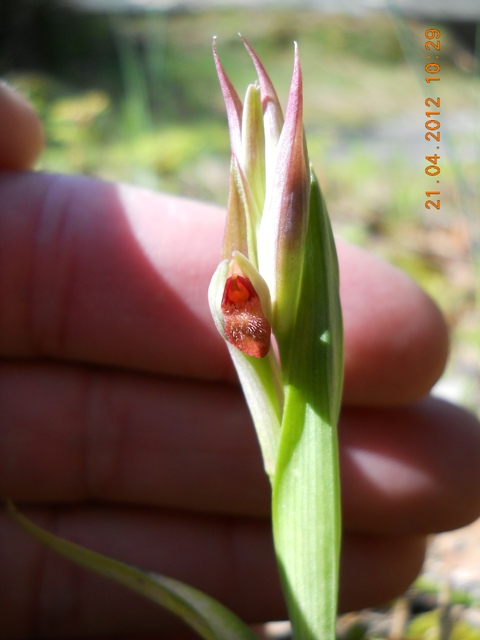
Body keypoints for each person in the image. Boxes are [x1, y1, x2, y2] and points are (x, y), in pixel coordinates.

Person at [1, 80, 479, 640]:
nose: (236, 294)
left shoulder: (254, 301)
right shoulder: (242, 310)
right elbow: (243, 323)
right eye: (234, 292)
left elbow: (248, 318)